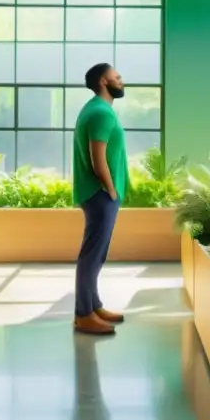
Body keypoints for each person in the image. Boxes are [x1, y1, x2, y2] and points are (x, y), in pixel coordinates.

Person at [71, 63, 130, 335]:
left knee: (97, 254)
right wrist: (111, 189)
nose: (121, 80)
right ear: (104, 82)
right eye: (117, 77)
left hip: (99, 193)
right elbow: (98, 160)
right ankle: (83, 314)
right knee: (92, 255)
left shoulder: (96, 109)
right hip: (99, 194)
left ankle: (93, 306)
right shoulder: (101, 114)